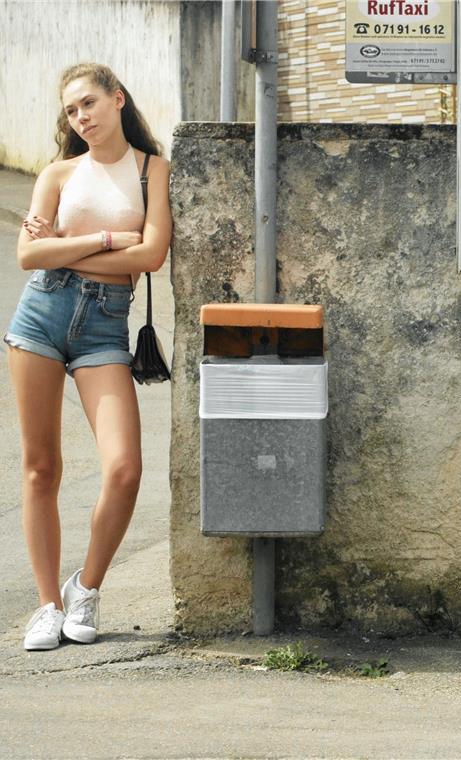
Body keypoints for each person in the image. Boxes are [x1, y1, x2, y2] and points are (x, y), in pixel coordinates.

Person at [5, 63, 171, 651]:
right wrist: (106, 241)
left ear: (117, 98)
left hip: (104, 326)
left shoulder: (153, 171)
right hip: (41, 318)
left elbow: (150, 256)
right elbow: (28, 256)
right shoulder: (58, 173)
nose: (82, 117)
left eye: (90, 103)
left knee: (124, 468)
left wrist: (64, 251)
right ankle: (47, 603)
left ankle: (87, 588)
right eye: (72, 110)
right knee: (40, 468)